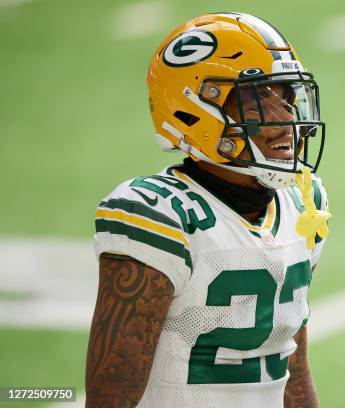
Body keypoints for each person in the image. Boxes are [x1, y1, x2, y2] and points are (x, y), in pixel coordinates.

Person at [85, 12, 330, 408]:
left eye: (286, 97)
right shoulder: (160, 215)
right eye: (258, 102)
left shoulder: (303, 199)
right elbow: (111, 394)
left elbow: (292, 365)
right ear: (193, 111)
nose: (286, 120)